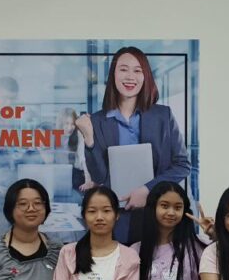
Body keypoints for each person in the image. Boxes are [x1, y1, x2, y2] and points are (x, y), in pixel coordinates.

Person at [74, 47, 190, 238]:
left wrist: (147, 189)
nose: (130, 77)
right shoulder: (97, 121)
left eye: (137, 70)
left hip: (156, 216)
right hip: (116, 217)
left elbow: (182, 165)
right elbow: (100, 176)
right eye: (123, 69)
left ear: (145, 77)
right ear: (113, 75)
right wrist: (89, 139)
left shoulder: (163, 116)